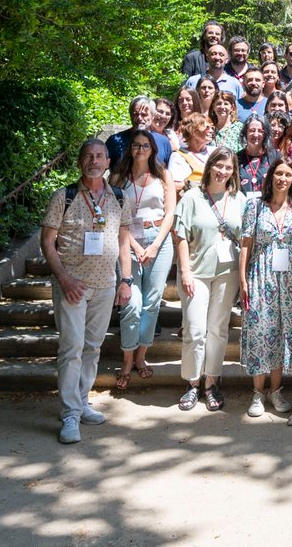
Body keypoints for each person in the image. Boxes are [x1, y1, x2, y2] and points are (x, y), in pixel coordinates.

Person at [40, 140, 133, 444]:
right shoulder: (63, 197)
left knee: (92, 348)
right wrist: (64, 279)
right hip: (73, 286)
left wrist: (126, 280)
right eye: (88, 156)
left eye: (99, 156)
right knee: (72, 348)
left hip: (105, 285)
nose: (94, 160)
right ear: (80, 162)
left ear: (108, 162)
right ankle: (69, 415)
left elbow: (123, 242)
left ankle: (81, 403)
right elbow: (47, 242)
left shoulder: (119, 197)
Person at [172, 148, 245, 412]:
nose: (223, 171)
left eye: (228, 167)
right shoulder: (192, 197)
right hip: (196, 272)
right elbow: (180, 235)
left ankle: (211, 382)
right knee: (194, 329)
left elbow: (246, 238)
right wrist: (184, 272)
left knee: (218, 329)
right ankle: (193, 383)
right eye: (218, 166)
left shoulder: (240, 199)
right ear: (210, 166)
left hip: (228, 273)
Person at [239, 156, 292, 418]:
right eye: (279, 173)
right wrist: (242, 279)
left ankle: (276, 390)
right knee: (260, 330)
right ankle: (257, 393)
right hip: (259, 275)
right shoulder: (255, 205)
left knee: (281, 333)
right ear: (271, 176)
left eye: (288, 175)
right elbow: (246, 243)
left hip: (289, 280)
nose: (282, 179)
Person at [109, 130, 176, 392]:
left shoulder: (163, 175)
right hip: (127, 240)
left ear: (152, 149)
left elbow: (170, 212)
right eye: (136, 145)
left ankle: (141, 357)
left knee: (151, 302)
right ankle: (127, 360)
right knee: (131, 302)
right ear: (130, 148)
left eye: (145, 145)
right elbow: (113, 215)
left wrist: (156, 243)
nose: (140, 149)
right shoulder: (117, 177)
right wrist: (135, 246)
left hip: (159, 238)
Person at [106, 96, 175, 168]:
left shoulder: (163, 142)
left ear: (152, 116)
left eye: (144, 115)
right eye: (135, 114)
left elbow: (167, 172)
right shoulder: (115, 141)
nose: (139, 118)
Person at [168, 112, 215, 193]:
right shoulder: (179, 156)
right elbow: (173, 186)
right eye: (207, 127)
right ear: (193, 131)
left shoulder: (215, 152)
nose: (211, 131)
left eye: (212, 127)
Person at [236, 114, 279, 201]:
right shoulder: (236, 158)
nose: (256, 134)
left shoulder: (275, 156)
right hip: (243, 207)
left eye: (260, 131)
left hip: (268, 207)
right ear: (245, 133)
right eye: (252, 130)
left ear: (265, 134)